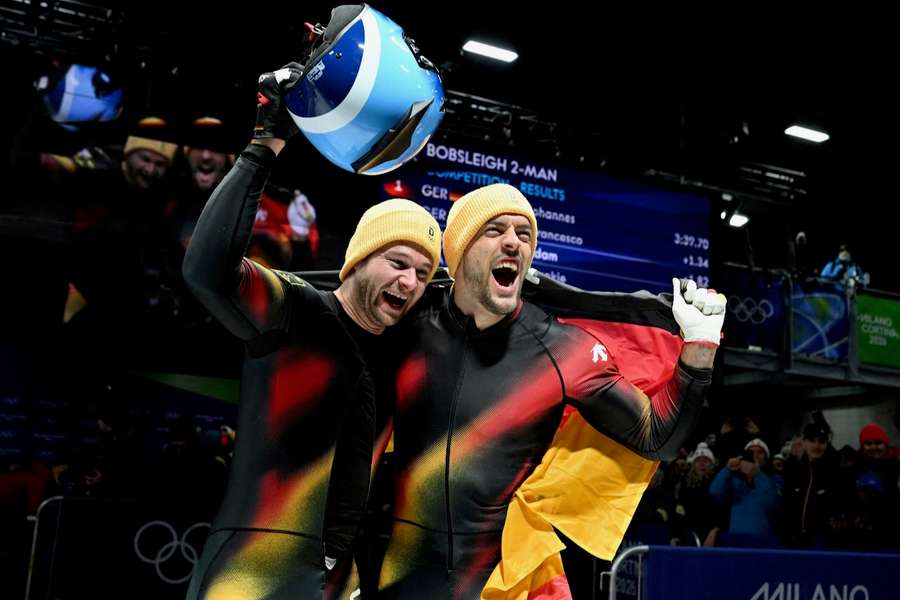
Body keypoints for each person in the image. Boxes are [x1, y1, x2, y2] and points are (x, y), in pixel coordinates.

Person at [374, 183, 726, 599]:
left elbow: (657, 438)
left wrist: (700, 351)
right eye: (494, 230)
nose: (513, 242)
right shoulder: (400, 323)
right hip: (384, 572)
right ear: (459, 250)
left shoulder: (563, 349)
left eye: (524, 235)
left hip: (500, 584)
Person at [183, 63, 441, 599]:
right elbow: (206, 271)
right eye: (397, 261)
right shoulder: (295, 311)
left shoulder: (407, 350)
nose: (410, 280)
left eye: (422, 271)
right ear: (358, 261)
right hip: (250, 578)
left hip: (337, 582)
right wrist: (264, 144)